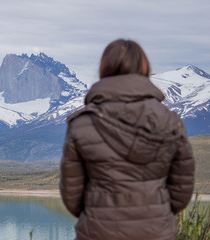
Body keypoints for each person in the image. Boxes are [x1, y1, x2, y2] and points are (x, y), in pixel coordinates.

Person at [59, 39, 195, 240]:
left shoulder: (82, 123)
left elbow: (71, 193)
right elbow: (182, 187)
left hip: (98, 231)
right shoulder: (171, 121)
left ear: (104, 68)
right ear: (144, 67)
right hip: (157, 231)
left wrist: (96, 213)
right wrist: (158, 212)